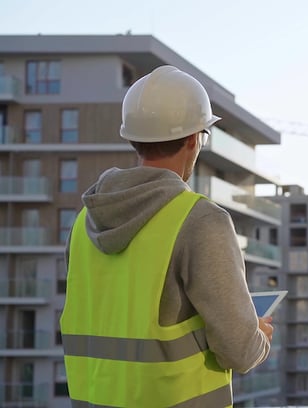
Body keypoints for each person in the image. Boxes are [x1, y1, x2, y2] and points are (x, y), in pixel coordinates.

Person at [60, 65, 273, 407]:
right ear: (193, 139)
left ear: (133, 138)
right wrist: (258, 336)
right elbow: (239, 350)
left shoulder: (84, 221)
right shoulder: (201, 221)